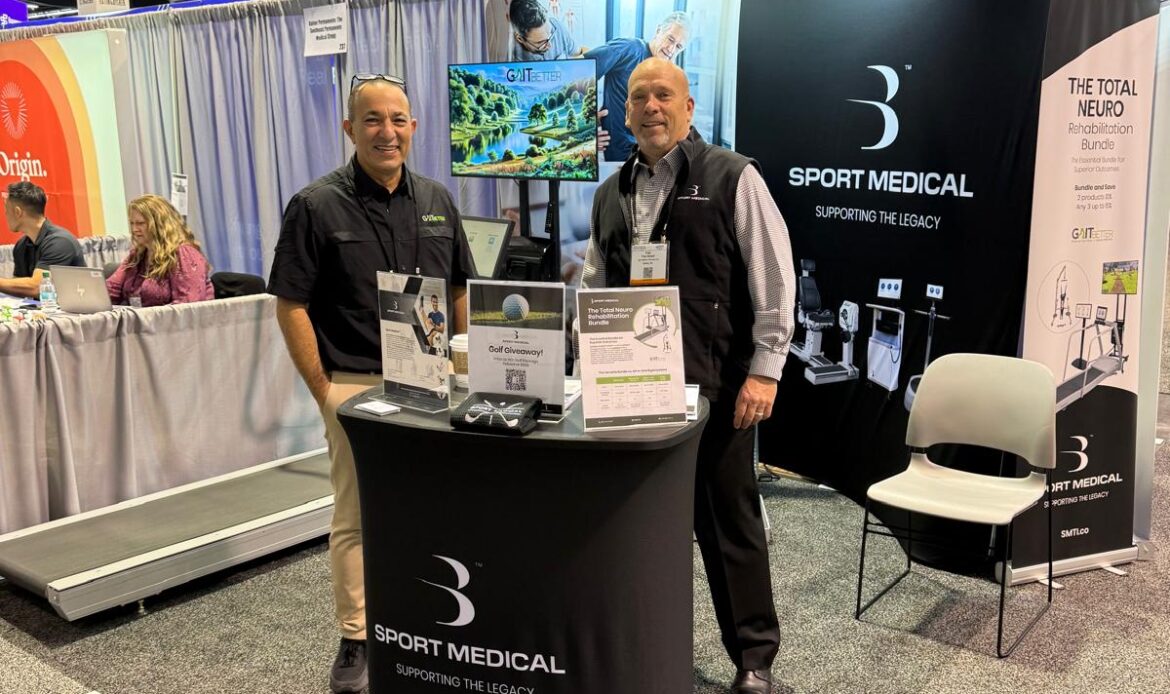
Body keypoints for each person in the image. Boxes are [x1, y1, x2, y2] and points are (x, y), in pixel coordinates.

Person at [580, 58, 795, 694]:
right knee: (636, 525)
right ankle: (643, 643)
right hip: (630, 389)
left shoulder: (735, 177)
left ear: (688, 106)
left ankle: (753, 656)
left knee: (727, 523)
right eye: (640, 96)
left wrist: (766, 370)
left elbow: (774, 279)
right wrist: (583, 355)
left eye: (664, 95)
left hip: (717, 388)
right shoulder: (609, 191)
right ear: (625, 114)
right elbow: (597, 279)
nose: (651, 106)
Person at [267, 74, 474, 694]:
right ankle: (357, 634)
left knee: (436, 507)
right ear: (350, 129)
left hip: (437, 383)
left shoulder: (437, 198)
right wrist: (322, 389)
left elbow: (459, 291)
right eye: (374, 120)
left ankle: (432, 619)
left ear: (414, 126)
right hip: (357, 384)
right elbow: (291, 304)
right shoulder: (315, 205)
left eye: (399, 119)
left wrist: (470, 371)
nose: (389, 131)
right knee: (357, 512)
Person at [584, 12, 690, 162]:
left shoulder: (667, 74)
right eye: (670, 39)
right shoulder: (629, 49)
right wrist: (582, 128)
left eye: (678, 46)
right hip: (619, 158)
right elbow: (579, 71)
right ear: (659, 30)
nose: (671, 49)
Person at [105, 194, 214, 306]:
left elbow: (188, 305)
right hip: (142, 321)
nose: (134, 229)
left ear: (159, 224)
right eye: (132, 223)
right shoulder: (137, 255)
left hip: (172, 322)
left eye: (140, 223)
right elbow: (111, 290)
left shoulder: (184, 254)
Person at [0, 181, 84, 298]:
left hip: (73, 313)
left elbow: (38, 287)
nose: (4, 215)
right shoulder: (21, 246)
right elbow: (19, 290)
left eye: (6, 210)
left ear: (18, 212)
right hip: (39, 313)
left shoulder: (60, 242)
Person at [508, 0, 582, 61]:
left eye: (551, 34)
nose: (550, 45)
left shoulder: (557, 26)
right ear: (520, 39)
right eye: (541, 42)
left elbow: (578, 54)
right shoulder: (511, 54)